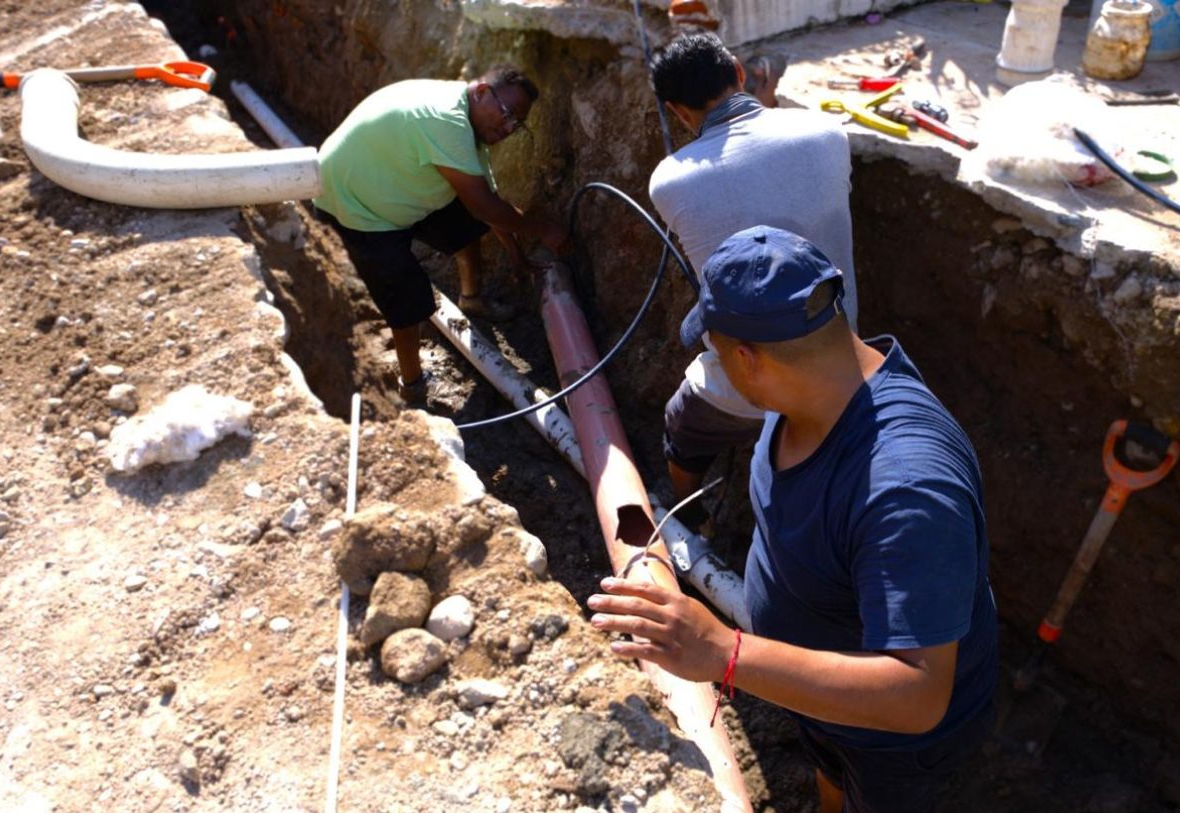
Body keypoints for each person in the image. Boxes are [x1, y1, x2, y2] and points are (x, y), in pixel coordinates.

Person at [588, 227, 999, 813]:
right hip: (821, 700)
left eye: (717, 352)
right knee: (829, 769)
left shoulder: (905, 488)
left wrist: (724, 653)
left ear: (747, 359)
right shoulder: (813, 394)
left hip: (893, 745)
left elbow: (916, 696)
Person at [647, 32, 858, 521]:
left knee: (682, 426)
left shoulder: (669, 180)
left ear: (678, 111)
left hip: (745, 386)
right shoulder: (828, 132)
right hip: (843, 365)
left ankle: (685, 515)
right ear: (739, 73)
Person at [313, 65, 569, 401]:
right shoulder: (446, 121)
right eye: (507, 114)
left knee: (467, 219)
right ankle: (412, 385)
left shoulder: (467, 125)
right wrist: (546, 230)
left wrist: (517, 255)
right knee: (408, 298)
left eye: (516, 123)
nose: (508, 127)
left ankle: (471, 299)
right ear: (480, 92)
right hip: (356, 204)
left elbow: (491, 207)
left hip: (395, 177)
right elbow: (485, 208)